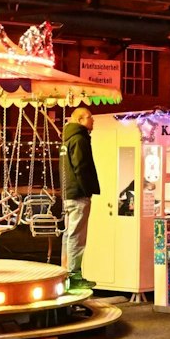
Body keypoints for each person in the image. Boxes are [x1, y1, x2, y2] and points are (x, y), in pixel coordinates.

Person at [60, 107, 100, 289]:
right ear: (81, 119)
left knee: (69, 233)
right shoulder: (79, 140)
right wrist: (87, 190)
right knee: (77, 234)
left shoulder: (67, 140)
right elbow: (81, 167)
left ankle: (65, 271)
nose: (93, 121)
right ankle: (74, 276)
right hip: (78, 194)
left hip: (69, 193)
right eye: (90, 117)